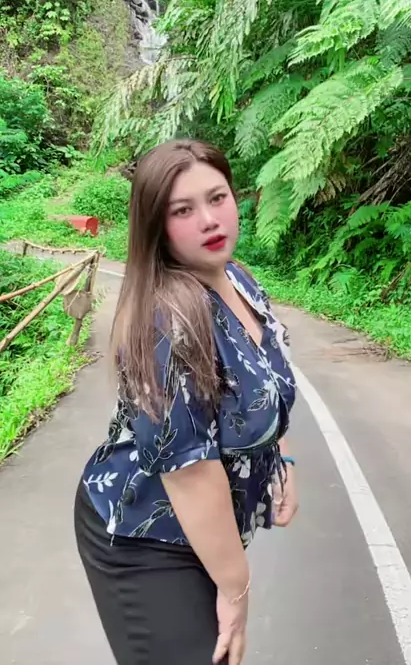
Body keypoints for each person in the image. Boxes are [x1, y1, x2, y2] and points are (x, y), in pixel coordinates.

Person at [74, 138, 298, 665]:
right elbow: (190, 471)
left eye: (217, 198)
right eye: (183, 210)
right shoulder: (166, 320)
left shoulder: (239, 280)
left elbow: (265, 382)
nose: (209, 220)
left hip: (200, 533)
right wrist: (236, 590)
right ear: (157, 225)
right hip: (142, 535)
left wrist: (282, 459)